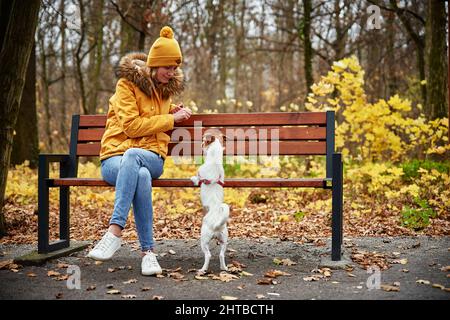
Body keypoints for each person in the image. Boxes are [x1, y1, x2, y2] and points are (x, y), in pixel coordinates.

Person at [87, 26, 192, 276]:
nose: (172, 72)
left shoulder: (165, 92)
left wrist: (172, 113)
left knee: (135, 157)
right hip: (114, 157)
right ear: (154, 65)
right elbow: (132, 127)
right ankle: (149, 253)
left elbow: (156, 116)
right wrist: (171, 120)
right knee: (140, 174)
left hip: (152, 157)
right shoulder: (127, 86)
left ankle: (114, 231)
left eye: (175, 68)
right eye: (168, 67)